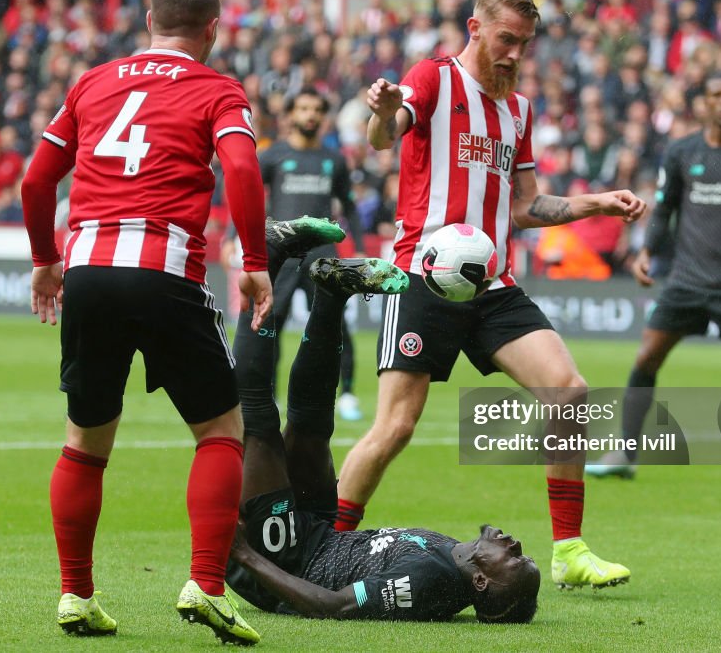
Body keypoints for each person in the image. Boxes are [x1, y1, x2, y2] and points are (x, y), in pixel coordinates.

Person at [334, 0, 644, 590]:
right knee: (395, 426)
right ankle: (331, 546)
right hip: (422, 275)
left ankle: (570, 551)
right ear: (476, 28)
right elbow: (384, 136)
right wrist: (380, 110)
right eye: (507, 39)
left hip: (492, 282)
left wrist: (597, 204)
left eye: (524, 44)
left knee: (569, 392)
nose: (515, 54)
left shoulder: (518, 108)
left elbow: (527, 206)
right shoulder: (433, 78)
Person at [20, 0, 273, 644]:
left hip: (89, 273)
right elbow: (243, 172)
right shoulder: (217, 89)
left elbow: (37, 178)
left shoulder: (92, 82)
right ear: (213, 29)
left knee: (85, 440)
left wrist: (46, 259)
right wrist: (253, 264)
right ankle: (206, 586)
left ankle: (75, 595)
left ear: (147, 17)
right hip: (163, 270)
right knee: (220, 429)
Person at [226, 252, 542, 623]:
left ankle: (267, 258)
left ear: (481, 580)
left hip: (284, 561)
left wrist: (244, 554)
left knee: (260, 427)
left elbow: (333, 605)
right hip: (319, 530)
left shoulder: (430, 584)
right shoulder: (455, 556)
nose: (517, 544)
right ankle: (330, 294)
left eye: (516, 559)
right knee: (312, 423)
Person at [585, 71, 721, 488]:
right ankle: (626, 453)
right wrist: (647, 250)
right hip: (687, 279)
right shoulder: (682, 152)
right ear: (704, 103)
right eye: (716, 95)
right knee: (647, 356)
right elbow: (665, 208)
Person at [229, 86, 368, 424]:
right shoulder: (272, 155)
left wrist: (360, 248)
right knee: (269, 325)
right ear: (290, 114)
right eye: (303, 108)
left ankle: (346, 395)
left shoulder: (333, 160)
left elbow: (348, 205)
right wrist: (233, 237)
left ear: (323, 116)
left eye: (316, 109)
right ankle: (271, 395)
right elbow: (248, 196)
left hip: (323, 256)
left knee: (336, 326)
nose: (310, 115)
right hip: (282, 257)